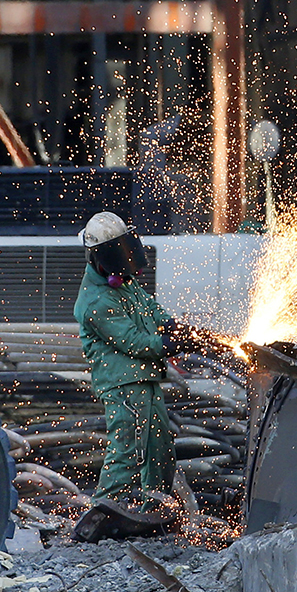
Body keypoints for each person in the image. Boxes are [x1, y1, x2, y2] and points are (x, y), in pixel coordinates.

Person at [70, 211, 224, 541]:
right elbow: (136, 342)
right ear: (98, 256)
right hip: (122, 383)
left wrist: (178, 329)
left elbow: (152, 312)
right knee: (127, 446)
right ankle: (102, 511)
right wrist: (171, 343)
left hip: (145, 379)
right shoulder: (95, 301)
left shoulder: (125, 281)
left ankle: (150, 506)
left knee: (158, 448)